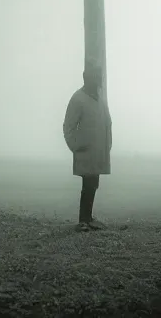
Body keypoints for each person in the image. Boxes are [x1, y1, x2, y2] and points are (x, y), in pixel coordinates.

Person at [63, 65, 112, 232]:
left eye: (99, 76)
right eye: (94, 76)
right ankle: (83, 220)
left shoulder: (100, 100)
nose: (98, 80)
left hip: (98, 151)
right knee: (88, 184)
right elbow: (68, 127)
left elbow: (108, 123)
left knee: (93, 183)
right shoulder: (78, 98)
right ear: (86, 77)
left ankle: (88, 218)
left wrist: (107, 145)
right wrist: (76, 145)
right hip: (85, 151)